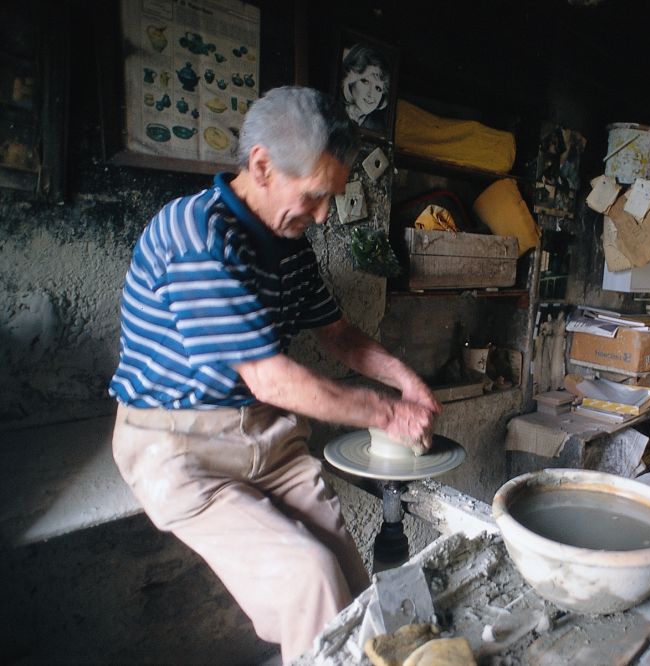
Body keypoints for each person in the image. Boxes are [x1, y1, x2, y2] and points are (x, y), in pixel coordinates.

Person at [108, 86, 440, 663]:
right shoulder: (199, 235)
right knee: (307, 579)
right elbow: (271, 379)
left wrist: (405, 382)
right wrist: (388, 413)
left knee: (348, 578)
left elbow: (336, 334)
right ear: (261, 165)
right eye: (314, 196)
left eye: (330, 199)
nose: (322, 215)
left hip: (265, 435)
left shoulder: (290, 246)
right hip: (179, 447)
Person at [340, 45, 390, 131]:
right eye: (365, 81)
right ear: (351, 81)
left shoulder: (378, 128)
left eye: (378, 88)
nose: (371, 94)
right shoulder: (333, 111)